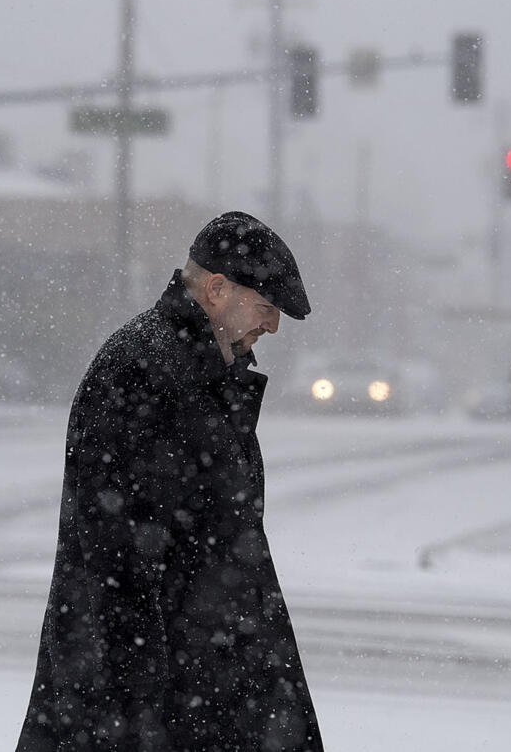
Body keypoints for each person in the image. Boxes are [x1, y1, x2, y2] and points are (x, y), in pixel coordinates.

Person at [17, 212, 324, 752]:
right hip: (162, 689)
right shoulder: (139, 369)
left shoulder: (203, 371)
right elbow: (113, 559)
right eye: (266, 308)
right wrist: (140, 710)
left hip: (205, 678)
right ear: (216, 288)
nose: (273, 326)